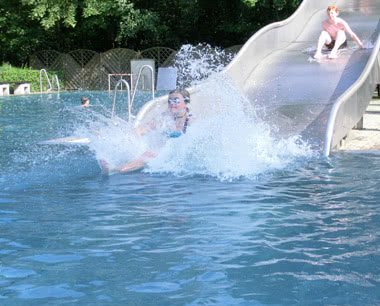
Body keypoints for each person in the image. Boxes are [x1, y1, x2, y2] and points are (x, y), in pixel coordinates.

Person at [99, 88, 192, 174]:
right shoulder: (164, 117)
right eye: (170, 101)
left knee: (149, 154)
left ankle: (114, 169)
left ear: (185, 102)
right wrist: (132, 137)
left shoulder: (189, 119)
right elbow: (144, 129)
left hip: (175, 153)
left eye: (176, 101)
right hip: (162, 149)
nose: (172, 104)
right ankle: (114, 160)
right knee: (143, 149)